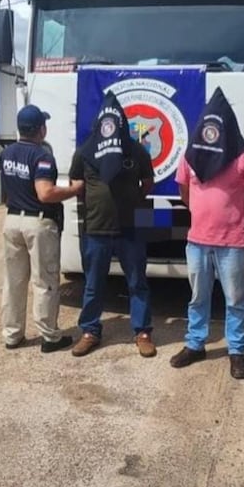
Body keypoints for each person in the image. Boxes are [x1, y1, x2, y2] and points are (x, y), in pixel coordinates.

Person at [170, 88, 244, 379]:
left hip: (233, 243)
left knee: (236, 300)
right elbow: (184, 191)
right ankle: (195, 344)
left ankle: (237, 351)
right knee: (198, 297)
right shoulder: (191, 157)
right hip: (197, 241)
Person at [68, 92, 156, 358]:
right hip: (96, 229)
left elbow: (148, 182)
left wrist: (134, 200)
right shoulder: (84, 151)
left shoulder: (136, 149)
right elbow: (77, 185)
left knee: (137, 283)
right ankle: (90, 332)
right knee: (94, 284)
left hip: (132, 228)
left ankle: (142, 332)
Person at [0, 104, 83, 353]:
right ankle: (50, 337)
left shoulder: (6, 154)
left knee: (14, 280)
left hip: (12, 220)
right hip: (38, 222)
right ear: (41, 130)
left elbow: (3, 196)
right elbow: (45, 192)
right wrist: (75, 190)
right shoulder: (42, 156)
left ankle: (12, 335)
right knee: (44, 280)